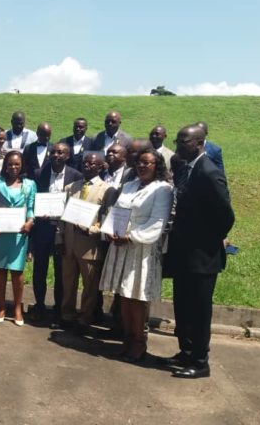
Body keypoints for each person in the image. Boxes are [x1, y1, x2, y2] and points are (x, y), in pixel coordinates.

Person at [162, 125, 234, 379]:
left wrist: (207, 241)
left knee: (199, 310)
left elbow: (226, 215)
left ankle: (201, 362)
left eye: (184, 141)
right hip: (183, 253)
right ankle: (186, 351)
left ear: (200, 143)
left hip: (202, 256)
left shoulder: (209, 172)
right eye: (177, 141)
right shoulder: (187, 169)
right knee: (183, 305)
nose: (178, 146)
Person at [99, 148, 173, 362]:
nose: (142, 166)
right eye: (139, 162)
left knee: (137, 297)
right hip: (120, 246)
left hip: (142, 250)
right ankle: (127, 339)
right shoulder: (130, 185)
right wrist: (110, 231)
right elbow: (117, 212)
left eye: (147, 163)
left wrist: (130, 236)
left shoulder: (163, 189)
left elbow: (157, 222)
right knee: (123, 294)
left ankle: (139, 341)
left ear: (157, 166)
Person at [56, 151, 117, 329]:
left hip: (90, 245)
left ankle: (85, 318)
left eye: (92, 164)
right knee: (68, 283)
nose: (87, 166)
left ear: (101, 167)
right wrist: (59, 239)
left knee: (90, 286)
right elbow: (61, 216)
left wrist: (92, 230)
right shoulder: (71, 187)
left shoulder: (107, 190)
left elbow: (109, 219)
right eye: (85, 163)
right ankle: (67, 315)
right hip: (69, 243)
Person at [30, 142, 82, 322]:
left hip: (64, 230)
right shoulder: (39, 174)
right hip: (43, 228)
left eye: (61, 153)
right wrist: (38, 212)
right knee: (39, 270)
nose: (56, 155)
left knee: (61, 271)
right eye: (53, 152)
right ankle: (39, 305)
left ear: (68, 156)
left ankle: (59, 309)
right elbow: (33, 199)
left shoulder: (76, 176)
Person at [0, 151, 36, 326]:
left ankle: (17, 308)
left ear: (22, 166)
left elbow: (31, 208)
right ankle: (1, 306)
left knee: (17, 271)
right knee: (0, 269)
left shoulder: (29, 184)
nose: (13, 167)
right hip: (0, 232)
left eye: (17, 164)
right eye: (10, 164)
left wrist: (30, 222)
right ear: (5, 166)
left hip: (19, 233)